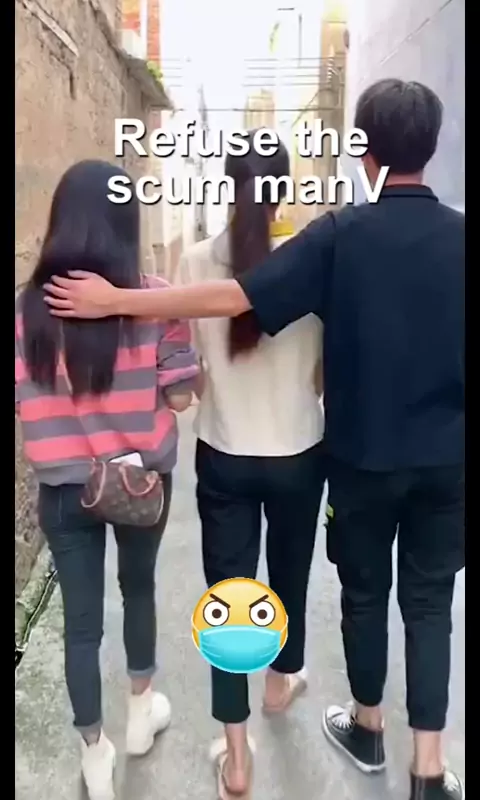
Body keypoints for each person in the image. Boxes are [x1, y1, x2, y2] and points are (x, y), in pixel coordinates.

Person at [44, 79, 465, 800]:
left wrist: (118, 302)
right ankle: (393, 748)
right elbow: (314, 356)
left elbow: (227, 307)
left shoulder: (328, 240)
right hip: (361, 455)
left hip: (273, 454)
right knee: (382, 595)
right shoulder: (390, 241)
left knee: (256, 593)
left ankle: (271, 747)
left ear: (364, 153)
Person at [16, 160, 199, 800]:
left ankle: (95, 751)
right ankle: (141, 713)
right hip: (140, 484)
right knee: (139, 590)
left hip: (64, 490)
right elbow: (181, 398)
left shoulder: (25, 311)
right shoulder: (154, 301)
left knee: (81, 623)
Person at [172, 132, 325, 798]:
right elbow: (322, 374)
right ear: (283, 190)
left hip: (224, 452)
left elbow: (190, 372)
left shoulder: (194, 262)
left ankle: (237, 759)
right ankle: (279, 684)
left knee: (229, 599)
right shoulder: (314, 262)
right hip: (298, 451)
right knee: (289, 575)